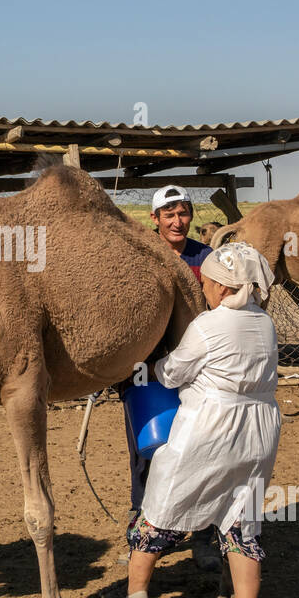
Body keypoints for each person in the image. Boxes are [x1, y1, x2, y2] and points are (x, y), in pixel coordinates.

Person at [118, 242, 281, 598]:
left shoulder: (208, 326)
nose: (202, 290)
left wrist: (150, 366)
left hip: (210, 427)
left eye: (206, 282)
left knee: (161, 505)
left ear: (224, 288)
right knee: (242, 521)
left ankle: (136, 594)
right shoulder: (265, 322)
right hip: (259, 428)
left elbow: (173, 374)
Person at [121, 186, 213, 545]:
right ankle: (142, 526)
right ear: (154, 219)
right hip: (144, 371)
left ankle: (203, 533)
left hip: (194, 372)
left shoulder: (205, 258)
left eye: (184, 213)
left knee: (198, 449)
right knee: (147, 450)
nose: (178, 222)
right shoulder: (139, 257)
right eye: (170, 215)